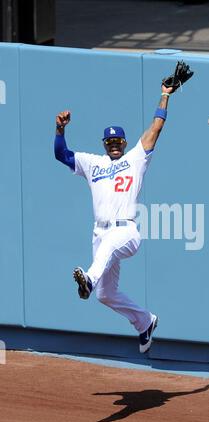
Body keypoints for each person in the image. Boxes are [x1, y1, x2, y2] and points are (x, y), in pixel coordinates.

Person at [54, 82, 173, 353]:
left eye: (118, 141)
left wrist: (165, 95)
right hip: (100, 232)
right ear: (104, 144)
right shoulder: (92, 163)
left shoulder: (135, 159)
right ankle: (145, 322)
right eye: (110, 142)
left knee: (105, 253)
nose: (115, 145)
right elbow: (61, 154)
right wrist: (60, 129)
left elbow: (156, 128)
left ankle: (88, 279)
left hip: (126, 232)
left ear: (125, 142)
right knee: (105, 295)